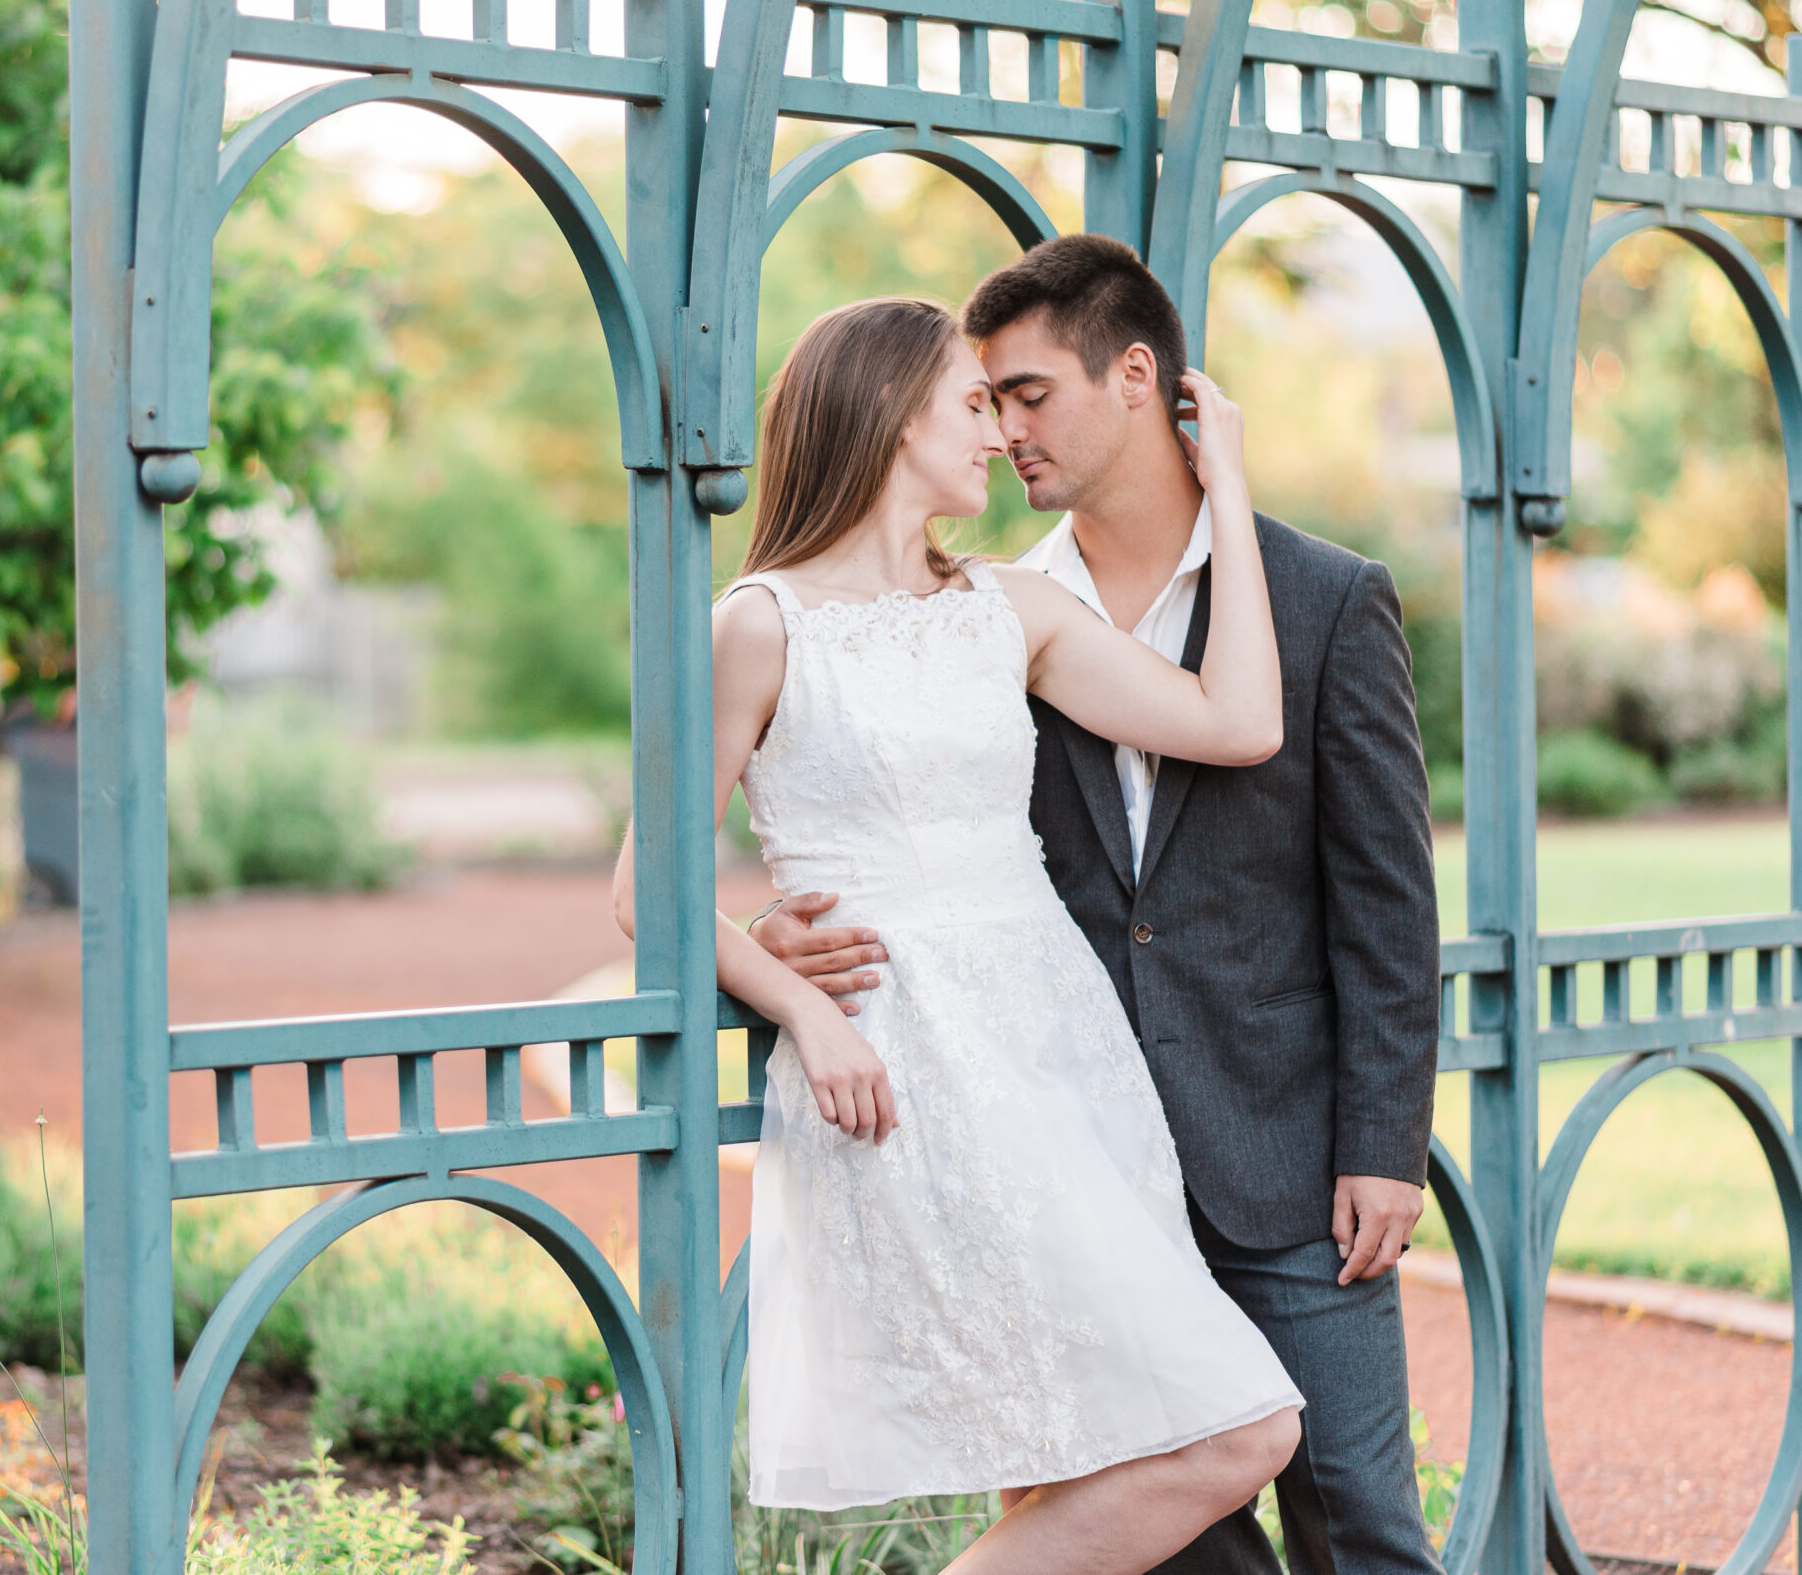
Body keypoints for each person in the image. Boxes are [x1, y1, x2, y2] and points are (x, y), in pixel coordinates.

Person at [754, 236, 1443, 1575]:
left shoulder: (1320, 599)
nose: (1005, 431)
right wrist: (773, 951)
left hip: (1286, 1151)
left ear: (1137, 378)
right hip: (1056, 1142)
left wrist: (1383, 1139)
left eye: (1026, 395)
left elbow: (1384, 902)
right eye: (983, 402)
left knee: (1357, 1508)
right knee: (1165, 1539)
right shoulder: (986, 607)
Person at [614, 294, 1304, 1575]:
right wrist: (803, 1003)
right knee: (1238, 1428)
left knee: (1085, 1446)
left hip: (1062, 1053)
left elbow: (1239, 720)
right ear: (889, 416)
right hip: (905, 1065)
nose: (997, 434)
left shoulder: (1008, 611)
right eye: (971, 402)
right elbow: (641, 886)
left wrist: (1232, 495)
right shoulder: (758, 624)